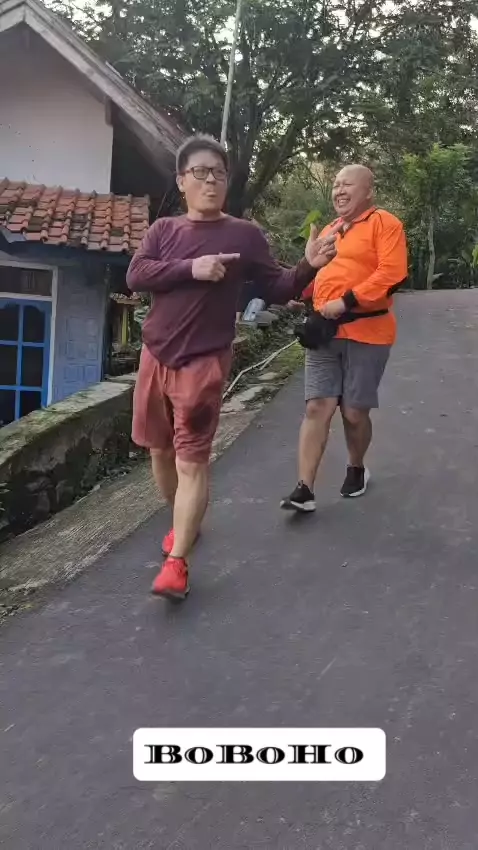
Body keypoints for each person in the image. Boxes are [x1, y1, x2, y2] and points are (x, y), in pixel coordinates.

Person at [126, 134, 337, 600]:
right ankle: (184, 521)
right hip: (154, 355)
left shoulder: (244, 235)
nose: (211, 181)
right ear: (181, 180)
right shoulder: (163, 230)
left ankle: (177, 563)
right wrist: (192, 268)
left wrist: (307, 266)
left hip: (204, 360)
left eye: (219, 174)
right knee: (159, 452)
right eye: (200, 172)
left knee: (191, 460)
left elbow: (278, 287)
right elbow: (136, 275)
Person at [280, 164, 408, 513]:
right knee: (317, 406)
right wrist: (302, 288)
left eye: (347, 184)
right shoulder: (331, 229)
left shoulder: (384, 223)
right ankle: (304, 489)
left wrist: (348, 300)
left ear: (368, 191)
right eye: (335, 184)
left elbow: (392, 273)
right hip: (324, 331)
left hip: (369, 332)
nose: (338, 190)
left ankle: (356, 466)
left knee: (353, 412)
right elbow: (322, 275)